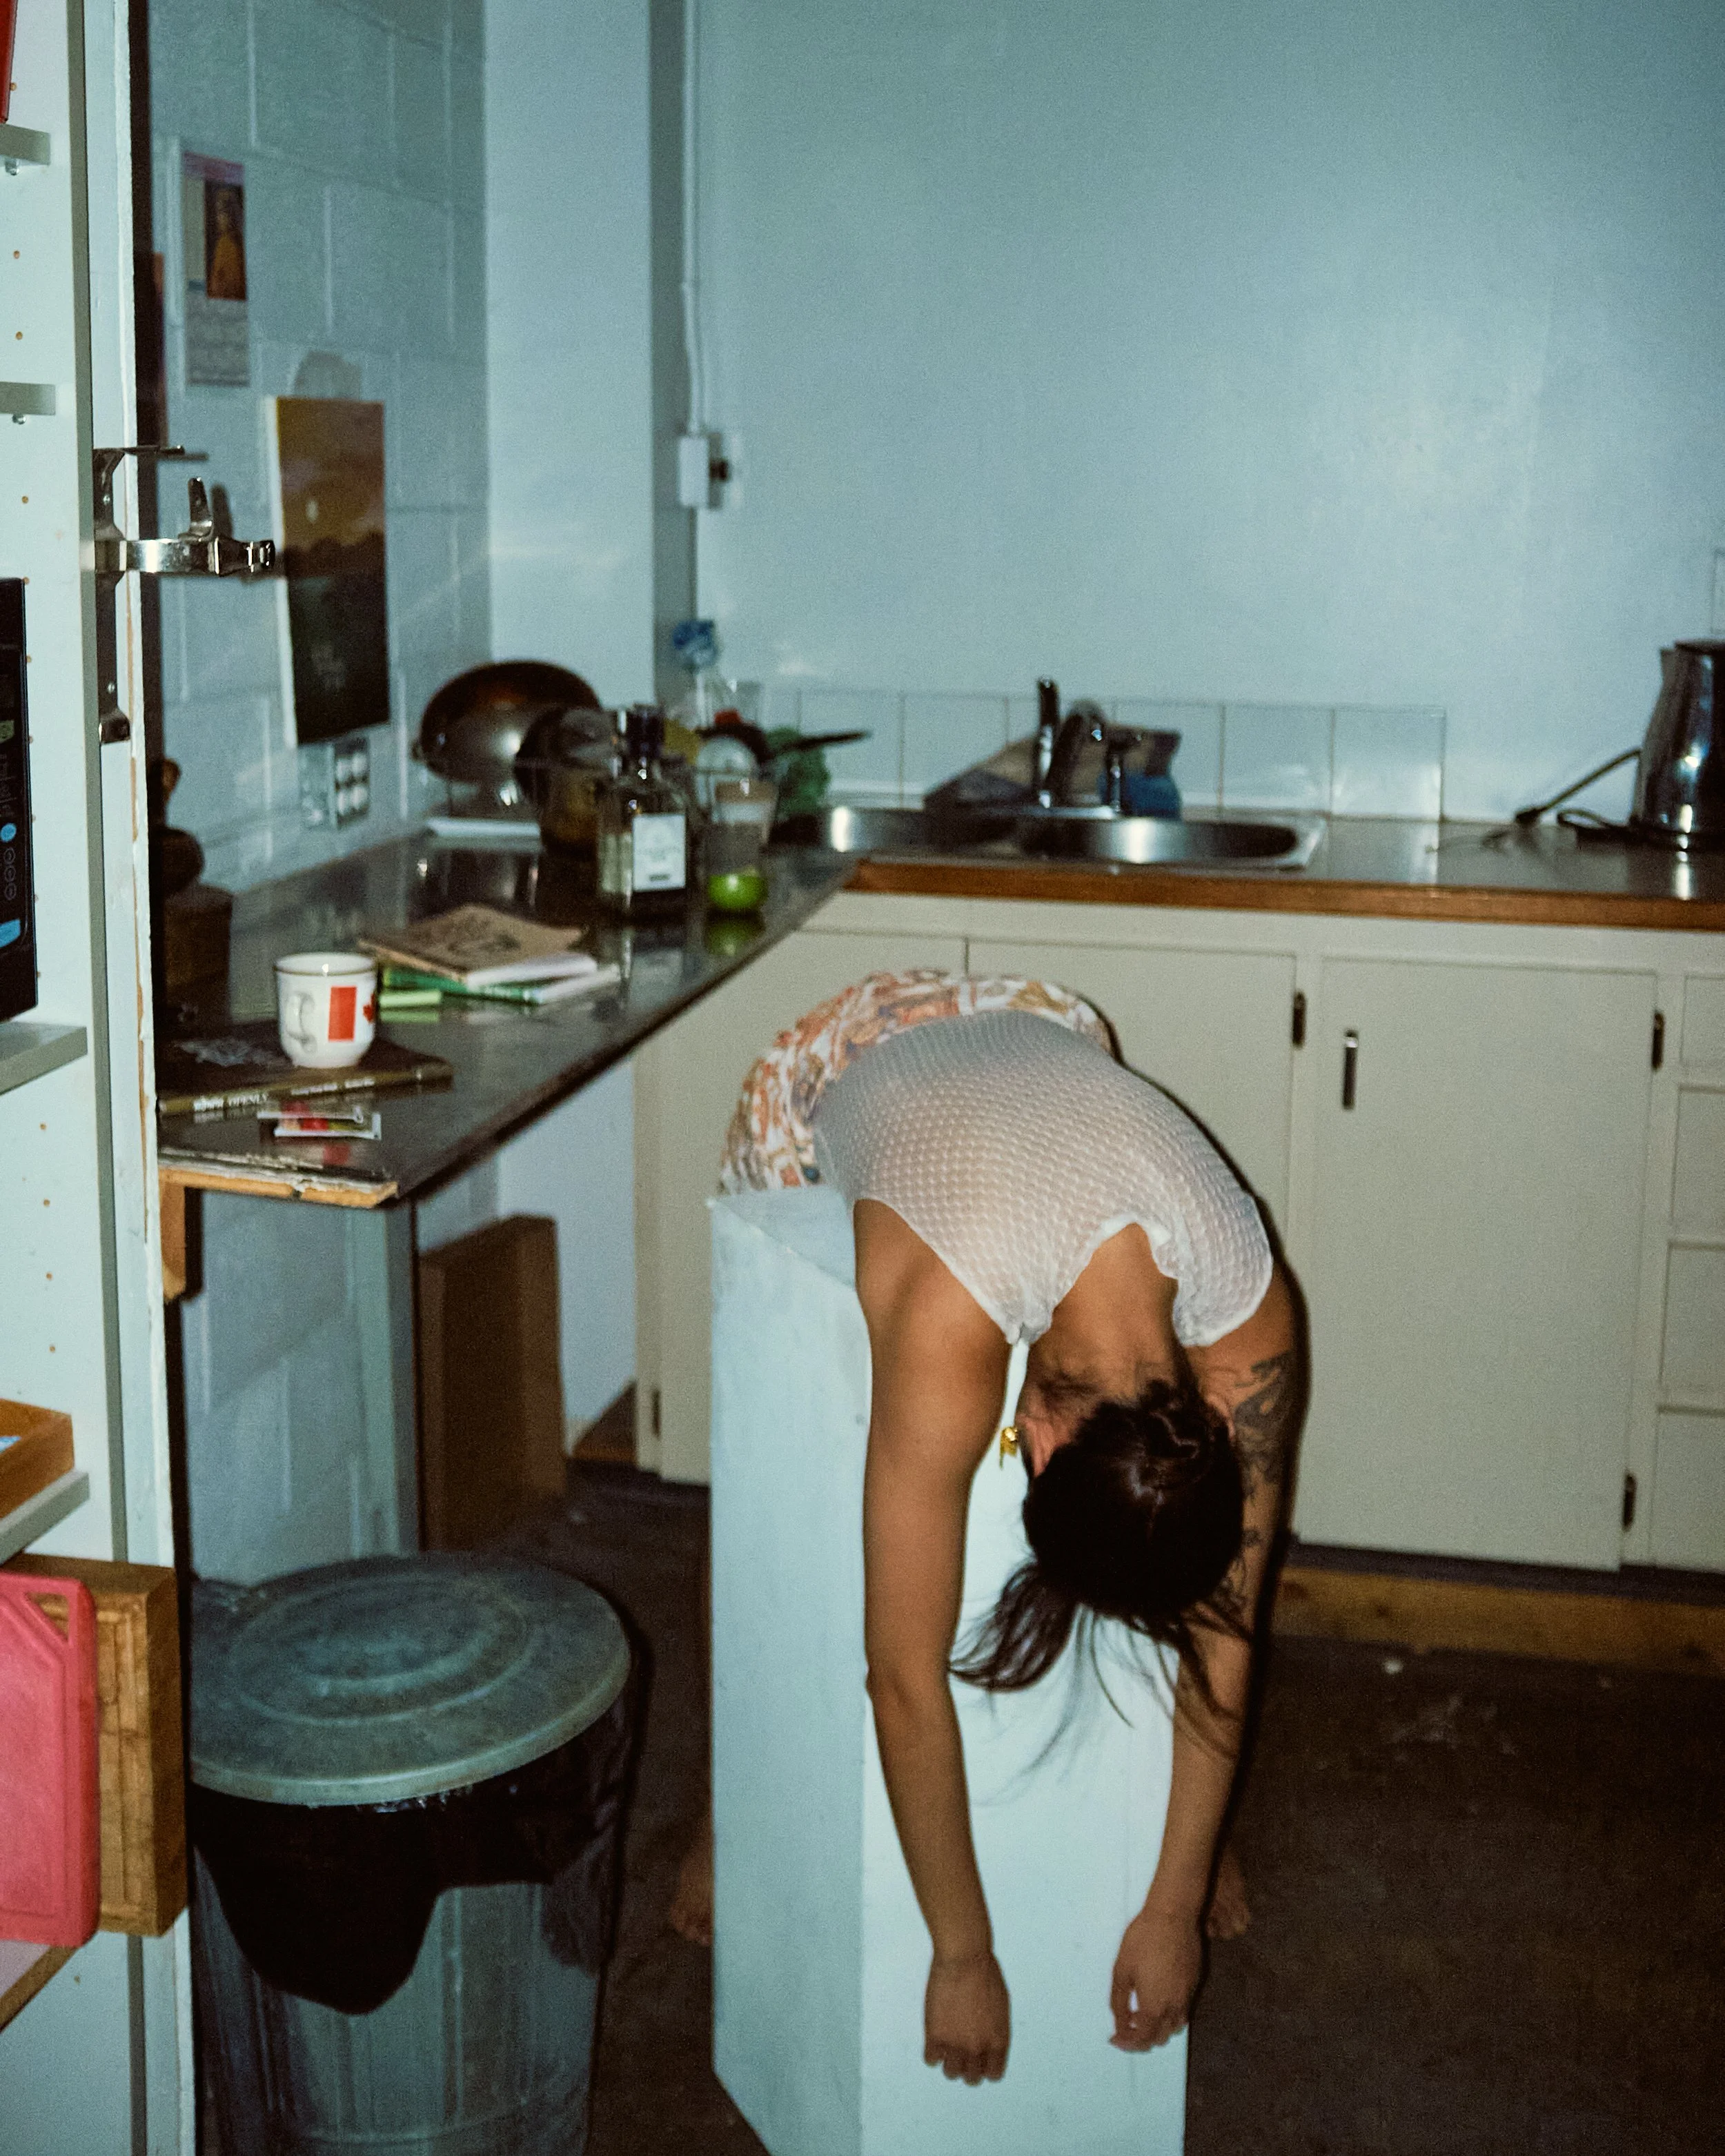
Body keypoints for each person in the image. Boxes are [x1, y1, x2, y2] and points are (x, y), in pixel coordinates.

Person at [675, 970, 1305, 2083]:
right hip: (846, 1052)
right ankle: (730, 1804)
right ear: (1041, 1446)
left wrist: (1178, 1892)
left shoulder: (1248, 1305)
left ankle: (1200, 1826)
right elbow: (904, 1678)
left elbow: (1229, 1621)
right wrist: (961, 1954)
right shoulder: (947, 1318)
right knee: (779, 1481)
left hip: (1049, 1022)